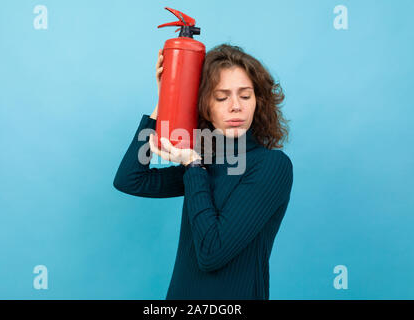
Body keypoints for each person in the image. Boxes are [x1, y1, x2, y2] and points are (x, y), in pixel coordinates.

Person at [113, 44, 293, 300]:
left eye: (245, 95)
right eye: (222, 97)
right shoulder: (205, 159)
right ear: (203, 105)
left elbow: (212, 252)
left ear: (258, 101)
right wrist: (167, 96)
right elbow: (130, 179)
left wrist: (193, 166)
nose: (235, 107)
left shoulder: (271, 166)